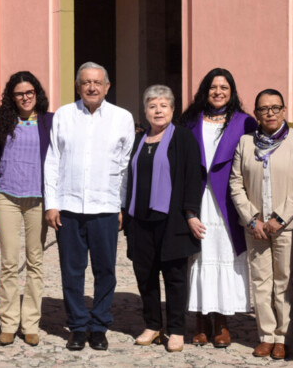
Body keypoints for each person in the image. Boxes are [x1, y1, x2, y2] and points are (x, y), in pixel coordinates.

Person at [44, 61, 135, 351]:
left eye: (97, 82)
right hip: (69, 207)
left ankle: (99, 326)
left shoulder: (122, 118)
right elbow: (53, 160)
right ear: (78, 86)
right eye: (86, 82)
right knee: (72, 271)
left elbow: (125, 166)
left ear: (107, 87)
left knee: (105, 270)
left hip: (105, 207)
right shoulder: (64, 115)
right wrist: (52, 203)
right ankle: (78, 327)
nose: (92, 87)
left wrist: (121, 205)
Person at [178, 67, 257, 348]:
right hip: (196, 200)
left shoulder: (245, 123)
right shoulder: (189, 121)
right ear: (205, 90)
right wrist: (186, 210)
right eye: (213, 87)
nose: (218, 92)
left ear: (231, 91)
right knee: (198, 258)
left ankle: (222, 321)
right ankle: (200, 320)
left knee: (224, 256)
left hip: (227, 202)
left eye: (224, 87)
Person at [124, 85, 203, 353]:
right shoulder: (138, 140)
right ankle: (153, 325)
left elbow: (193, 177)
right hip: (140, 220)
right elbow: (129, 179)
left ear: (172, 109)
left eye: (163, 105)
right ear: (145, 111)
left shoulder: (183, 138)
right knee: (145, 275)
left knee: (175, 277)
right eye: (152, 106)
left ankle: (177, 330)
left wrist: (191, 213)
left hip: (172, 221)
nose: (158, 110)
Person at [229, 88, 293, 360]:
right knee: (261, 280)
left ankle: (283, 336)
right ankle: (266, 335)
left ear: (284, 110)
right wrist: (252, 218)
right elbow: (235, 183)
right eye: (263, 109)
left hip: (285, 224)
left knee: (284, 280)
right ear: (256, 114)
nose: (270, 113)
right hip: (256, 226)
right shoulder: (245, 143)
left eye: (275, 107)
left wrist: (281, 217)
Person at [0, 71, 53, 347]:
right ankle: (8, 322)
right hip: (7, 197)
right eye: (19, 93)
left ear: (36, 93)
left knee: (35, 261)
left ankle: (30, 323)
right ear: (12, 97)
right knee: (7, 262)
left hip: (38, 200)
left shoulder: (49, 121)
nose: (25, 97)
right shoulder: (3, 121)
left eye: (30, 92)